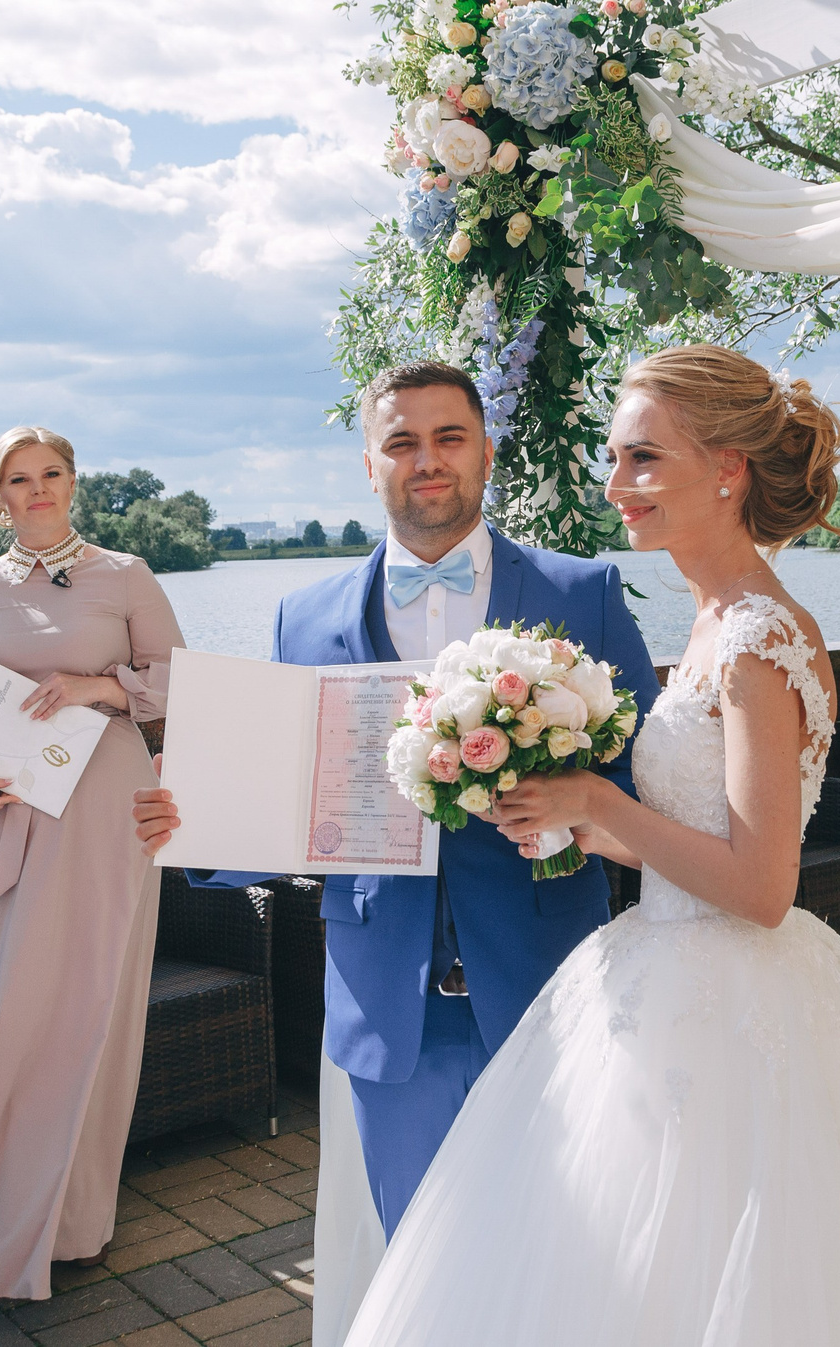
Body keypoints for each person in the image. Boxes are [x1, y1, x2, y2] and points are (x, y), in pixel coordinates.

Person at [340, 347, 840, 1347]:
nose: (617, 484)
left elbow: (763, 884)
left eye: (644, 458)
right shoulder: (711, 623)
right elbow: (694, 839)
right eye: (616, 458)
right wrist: (573, 821)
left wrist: (597, 802)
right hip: (657, 968)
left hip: (732, 1007)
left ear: (728, 468)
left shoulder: (756, 640)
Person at [130, 360, 660, 1334]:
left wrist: (573, 807)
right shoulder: (303, 617)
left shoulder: (579, 594)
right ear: (369, 464)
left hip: (547, 991)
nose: (427, 460)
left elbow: (649, 788)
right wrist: (196, 827)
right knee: (424, 1267)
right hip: (388, 1010)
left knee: (565, 1262)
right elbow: (296, 802)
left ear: (485, 451)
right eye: (402, 442)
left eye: (449, 437)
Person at [0, 424, 184, 1301]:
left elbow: (180, 682)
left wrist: (98, 687)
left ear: (72, 481)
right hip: (4, 815)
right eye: (18, 478)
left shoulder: (126, 574)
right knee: (6, 1004)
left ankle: (71, 1221)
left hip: (105, 813)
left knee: (85, 1006)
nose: (37, 489)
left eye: (51, 472)